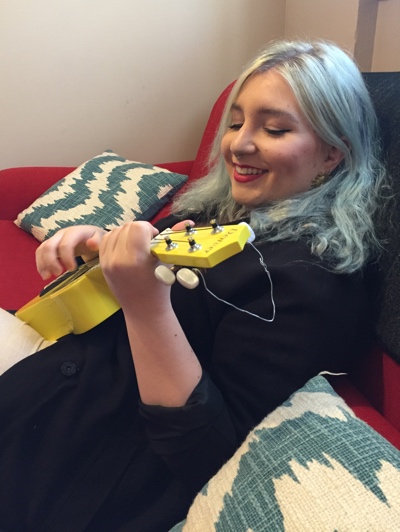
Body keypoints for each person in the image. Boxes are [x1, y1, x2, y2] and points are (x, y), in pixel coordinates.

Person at [0, 39, 386, 531]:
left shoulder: (309, 282)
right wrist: (100, 246)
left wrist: (146, 308)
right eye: (236, 122)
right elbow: (147, 260)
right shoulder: (224, 209)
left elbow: (210, 453)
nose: (238, 145)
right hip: (43, 399)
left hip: (87, 471)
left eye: (274, 129)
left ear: (333, 153)